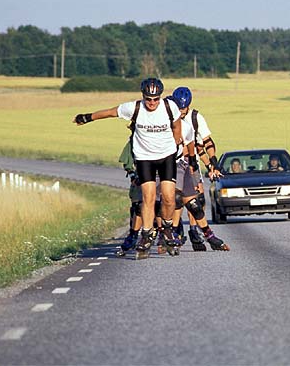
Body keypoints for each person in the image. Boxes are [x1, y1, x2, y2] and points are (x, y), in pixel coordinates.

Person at [73, 78, 183, 259]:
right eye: (148, 99)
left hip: (166, 156)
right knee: (148, 197)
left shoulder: (170, 107)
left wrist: (176, 143)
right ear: (143, 96)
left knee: (170, 197)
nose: (152, 103)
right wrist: (87, 117)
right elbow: (110, 112)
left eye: (156, 99)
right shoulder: (134, 108)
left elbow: (177, 125)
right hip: (144, 157)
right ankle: (147, 233)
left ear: (160, 97)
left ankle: (168, 227)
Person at [169, 87, 225, 250]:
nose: (181, 111)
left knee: (197, 199)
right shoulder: (168, 115)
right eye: (179, 108)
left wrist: (212, 163)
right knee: (175, 199)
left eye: (184, 108)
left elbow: (206, 142)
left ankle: (194, 230)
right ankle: (175, 229)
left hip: (190, 161)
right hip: (170, 161)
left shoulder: (195, 117)